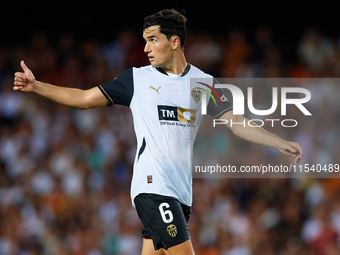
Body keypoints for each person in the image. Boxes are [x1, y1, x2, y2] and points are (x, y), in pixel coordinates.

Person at [13, 9, 303, 255]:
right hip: (153, 187)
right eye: (144, 41)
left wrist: (278, 142)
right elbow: (85, 99)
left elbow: (235, 121)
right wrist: (37, 86)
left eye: (153, 40)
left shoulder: (205, 83)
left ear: (174, 42)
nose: (146, 48)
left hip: (180, 192)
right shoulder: (137, 79)